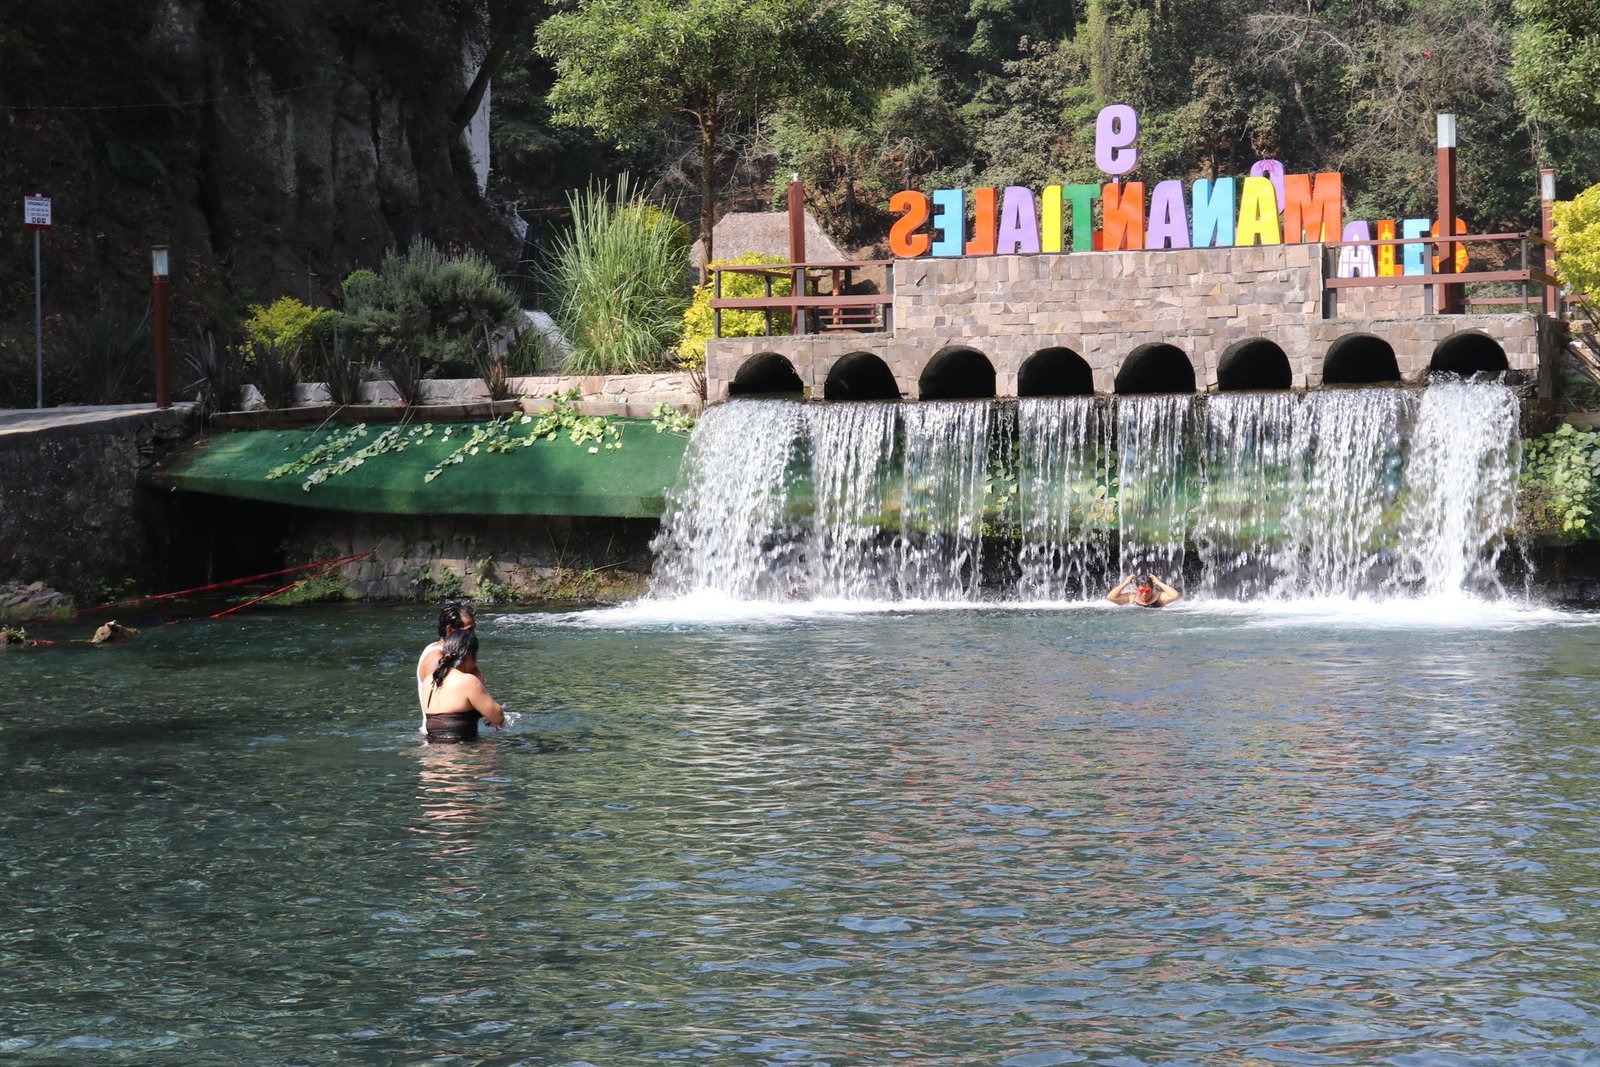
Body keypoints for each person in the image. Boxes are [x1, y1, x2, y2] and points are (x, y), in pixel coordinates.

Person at [420, 629, 505, 743]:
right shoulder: (468, 681)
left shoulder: (429, 680)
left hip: (431, 750)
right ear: (469, 655)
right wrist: (480, 685)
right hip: (461, 751)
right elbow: (498, 718)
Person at [416, 604, 481, 712]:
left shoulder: (460, 654)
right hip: (443, 723)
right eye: (469, 630)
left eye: (474, 629)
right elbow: (440, 702)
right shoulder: (435, 657)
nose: (474, 635)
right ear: (449, 630)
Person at [1107, 572, 1181, 608]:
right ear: (1136, 590)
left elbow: (1175, 595)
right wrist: (1125, 583)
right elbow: (1110, 597)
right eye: (1141, 591)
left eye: (1148, 591)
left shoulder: (1159, 598)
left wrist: (1158, 582)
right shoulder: (1131, 598)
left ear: (1152, 589)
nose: (1144, 594)